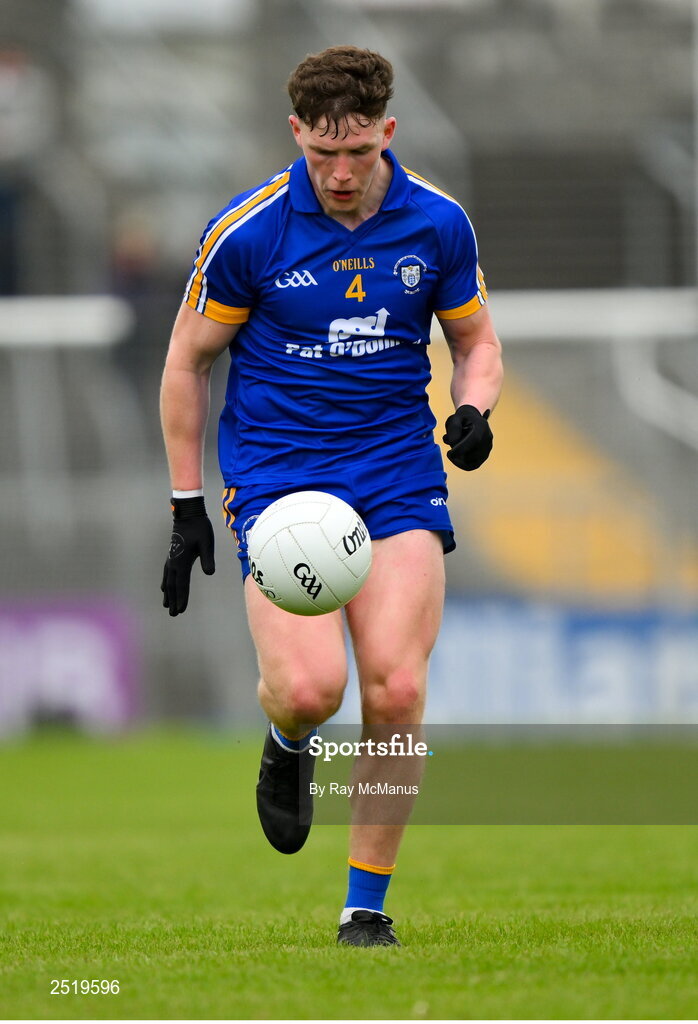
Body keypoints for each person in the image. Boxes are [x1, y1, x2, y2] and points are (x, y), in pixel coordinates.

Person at [160, 45, 503, 947]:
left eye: (356, 153)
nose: (340, 174)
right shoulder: (250, 233)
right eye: (322, 156)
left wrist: (473, 409)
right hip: (280, 481)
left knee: (394, 687)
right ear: (296, 136)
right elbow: (188, 362)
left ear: (387, 131)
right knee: (312, 689)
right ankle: (288, 742)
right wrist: (186, 504)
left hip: (395, 474)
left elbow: (477, 343)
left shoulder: (438, 224)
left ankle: (365, 907)